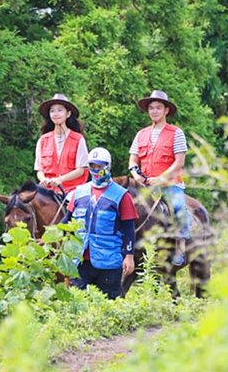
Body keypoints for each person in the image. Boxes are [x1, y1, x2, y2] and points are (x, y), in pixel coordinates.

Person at [62, 147, 138, 299]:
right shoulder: (78, 193)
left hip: (109, 261)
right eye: (92, 166)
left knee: (109, 305)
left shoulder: (122, 196)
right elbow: (65, 222)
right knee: (77, 303)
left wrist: (129, 256)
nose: (96, 171)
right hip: (80, 261)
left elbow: (129, 228)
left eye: (100, 167)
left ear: (108, 167)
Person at [128, 90, 190, 266]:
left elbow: (179, 163)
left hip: (170, 183)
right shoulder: (141, 134)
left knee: (178, 208)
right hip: (145, 183)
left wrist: (160, 179)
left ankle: (180, 245)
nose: (154, 111)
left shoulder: (176, 133)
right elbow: (133, 158)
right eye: (151, 108)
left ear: (166, 111)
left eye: (158, 108)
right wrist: (135, 173)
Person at [34, 93, 89, 194]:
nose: (56, 113)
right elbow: (39, 169)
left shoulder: (78, 139)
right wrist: (43, 179)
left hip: (73, 190)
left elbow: (81, 170)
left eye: (60, 110)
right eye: (52, 111)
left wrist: (60, 179)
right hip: (49, 191)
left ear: (68, 114)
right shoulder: (43, 140)